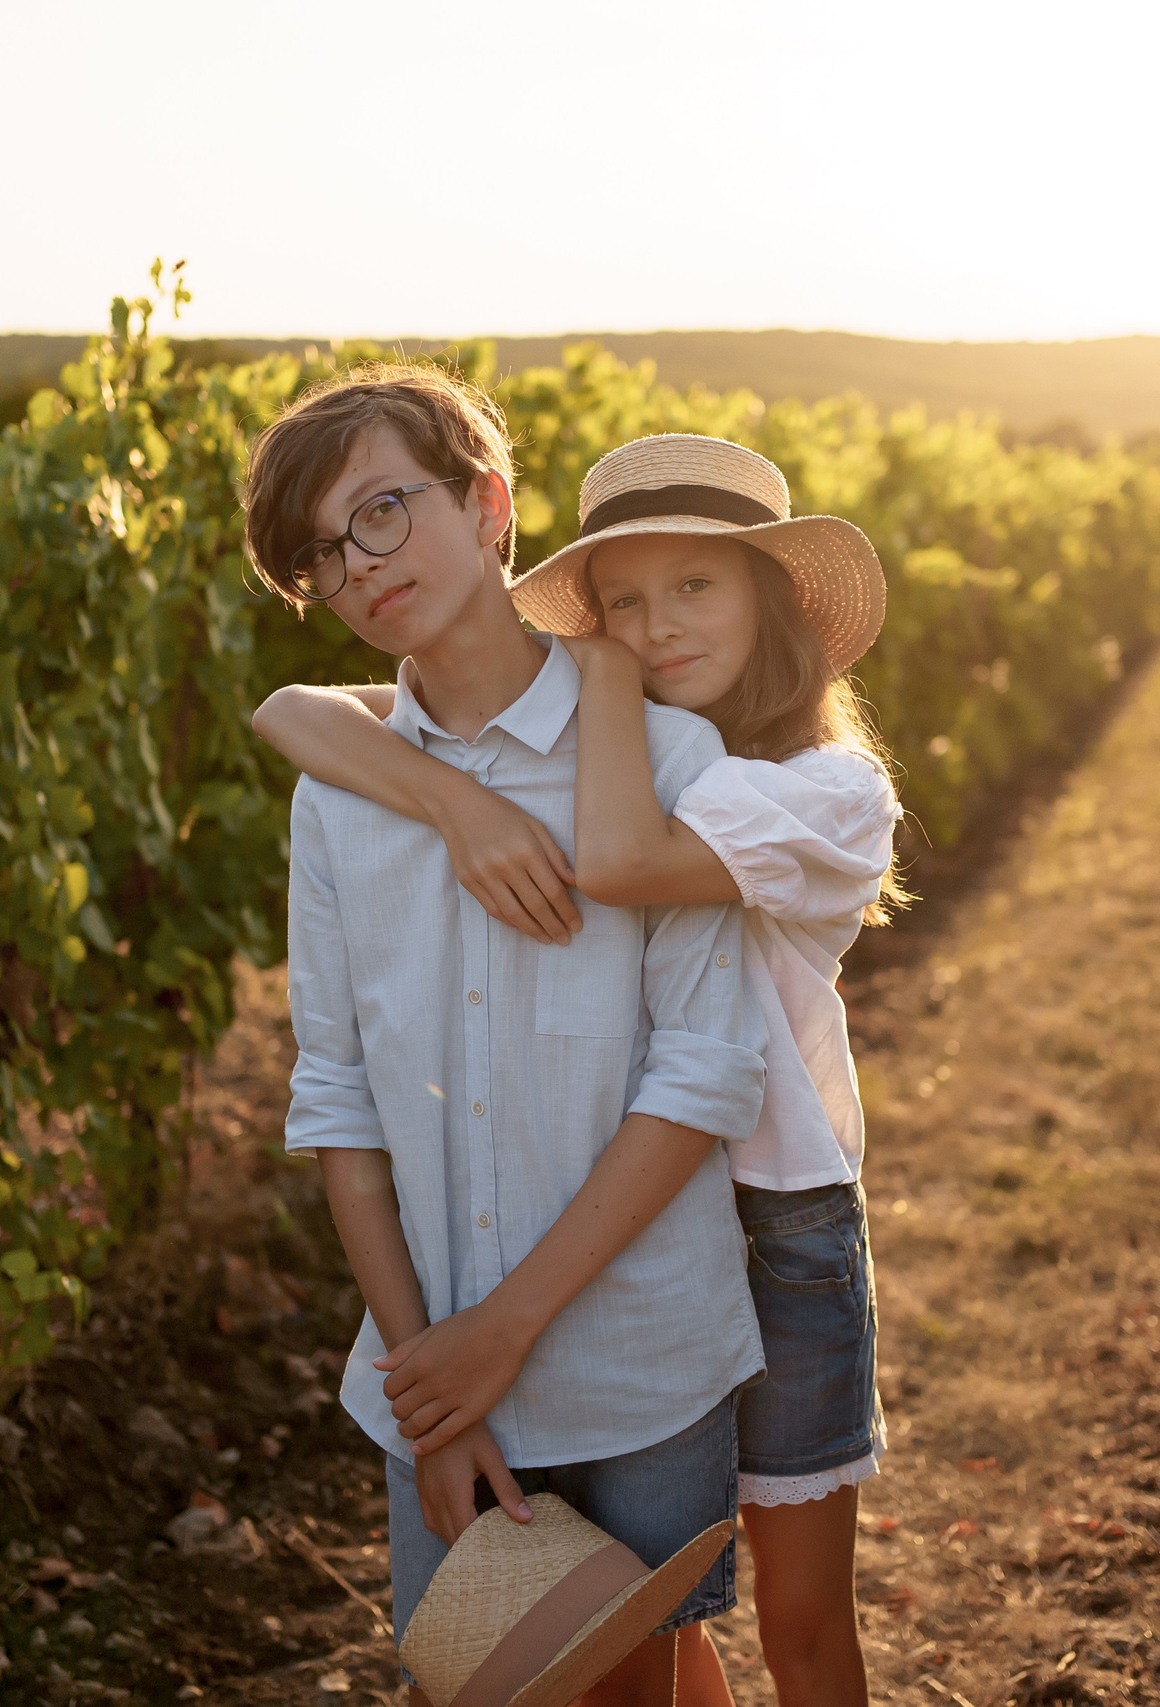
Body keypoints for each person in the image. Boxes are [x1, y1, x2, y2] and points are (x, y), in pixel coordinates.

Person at [258, 433, 902, 1707]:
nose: (655, 629)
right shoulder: (643, 745)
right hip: (638, 1220)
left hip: (769, 1218)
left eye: (697, 589)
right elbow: (294, 712)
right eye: (623, 604)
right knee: (642, 1618)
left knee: (798, 1611)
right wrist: (453, 797)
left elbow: (612, 866)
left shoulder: (797, 787)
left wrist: (595, 680)